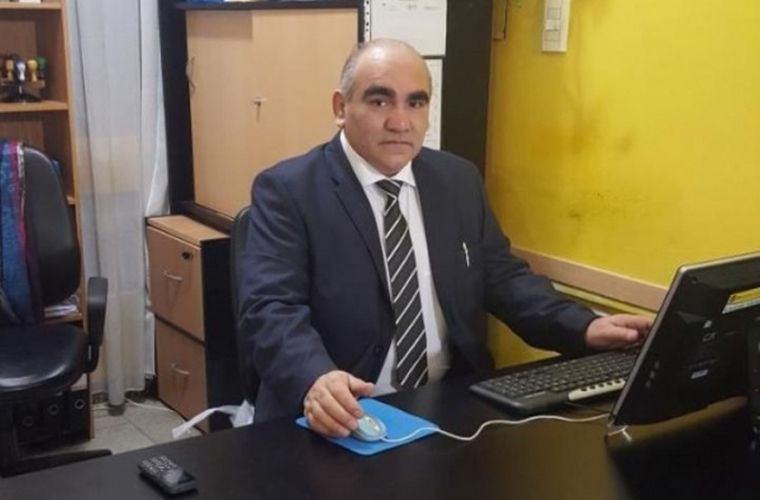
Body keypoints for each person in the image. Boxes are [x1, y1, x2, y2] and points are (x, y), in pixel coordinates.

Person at [237, 39, 652, 437]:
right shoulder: (289, 190)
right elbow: (270, 308)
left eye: (416, 102)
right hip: (346, 415)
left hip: (451, 405)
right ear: (341, 107)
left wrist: (585, 326)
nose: (401, 122)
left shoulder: (457, 180)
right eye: (380, 101)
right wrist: (316, 378)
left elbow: (503, 278)